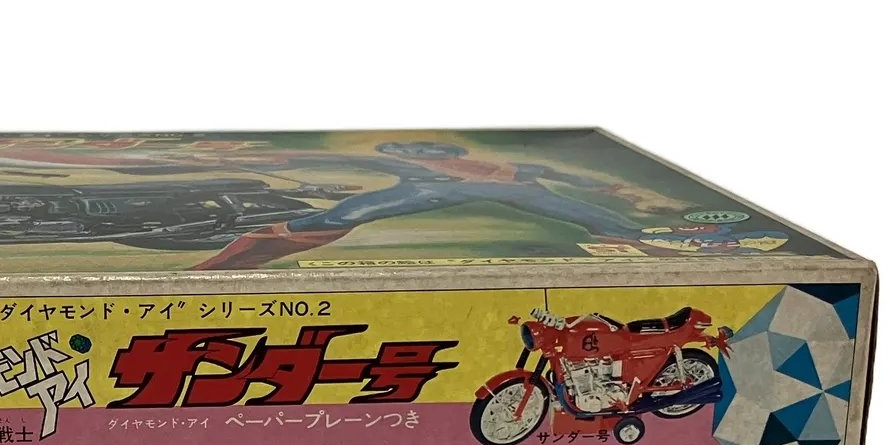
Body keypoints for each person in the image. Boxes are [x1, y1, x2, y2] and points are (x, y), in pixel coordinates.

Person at [192, 141, 677, 269]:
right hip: (421, 193)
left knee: (597, 219)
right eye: (413, 152)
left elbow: (575, 180)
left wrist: (629, 195)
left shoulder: (515, 170)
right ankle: (227, 263)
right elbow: (324, 157)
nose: (425, 155)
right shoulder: (417, 172)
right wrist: (263, 157)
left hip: (514, 192)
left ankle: (649, 248)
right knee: (335, 218)